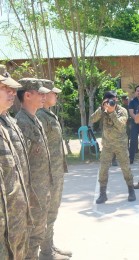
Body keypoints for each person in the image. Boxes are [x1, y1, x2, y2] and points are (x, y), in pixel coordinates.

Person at [15, 78, 54, 259]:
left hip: (42, 187)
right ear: (28, 95)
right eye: (41, 93)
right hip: (32, 193)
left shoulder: (34, 119)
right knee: (31, 235)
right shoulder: (21, 122)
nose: (44, 96)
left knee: (39, 231)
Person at [37, 79, 72, 259]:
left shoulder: (48, 114)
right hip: (48, 172)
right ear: (43, 95)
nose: (56, 95)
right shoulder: (41, 116)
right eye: (53, 92)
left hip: (56, 171)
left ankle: (49, 246)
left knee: (53, 210)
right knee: (48, 211)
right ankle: (46, 251)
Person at [0, 73, 32, 259]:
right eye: (6, 88)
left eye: (14, 90)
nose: (12, 93)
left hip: (15, 218)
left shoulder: (5, 125)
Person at [90, 90, 136, 204]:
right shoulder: (102, 109)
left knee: (126, 168)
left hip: (120, 145)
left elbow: (121, 125)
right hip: (107, 146)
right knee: (103, 169)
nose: (113, 102)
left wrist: (112, 112)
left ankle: (131, 190)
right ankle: (102, 194)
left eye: (114, 100)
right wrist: (101, 108)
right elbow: (92, 119)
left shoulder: (122, 110)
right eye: (110, 100)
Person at [128, 85, 139, 164]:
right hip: (135, 123)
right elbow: (131, 112)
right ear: (135, 92)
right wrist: (137, 119)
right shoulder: (132, 102)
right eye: (138, 91)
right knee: (133, 140)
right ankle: (131, 158)